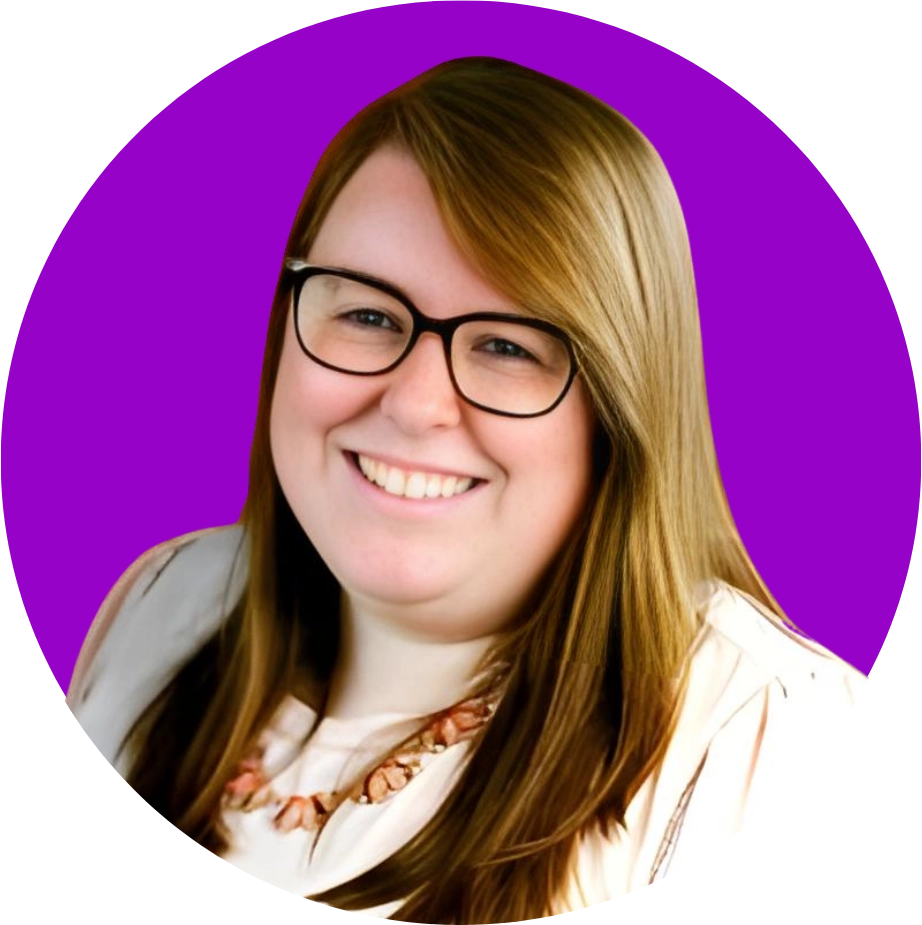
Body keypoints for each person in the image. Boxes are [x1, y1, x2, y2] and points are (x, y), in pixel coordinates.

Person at [67, 57, 867, 921]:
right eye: (367, 314)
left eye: (508, 346)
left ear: (621, 403)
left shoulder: (768, 738)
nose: (415, 404)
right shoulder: (159, 609)